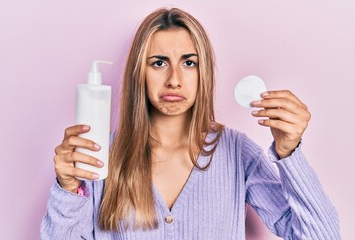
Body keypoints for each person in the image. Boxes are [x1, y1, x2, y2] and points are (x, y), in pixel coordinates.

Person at [41, 7, 340, 239]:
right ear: (139, 74)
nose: (174, 80)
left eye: (189, 62)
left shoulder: (237, 153)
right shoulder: (99, 155)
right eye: (158, 63)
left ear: (203, 72)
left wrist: (290, 153)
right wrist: (67, 189)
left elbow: (322, 236)